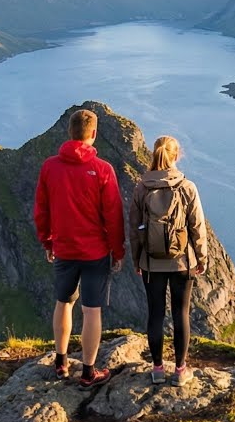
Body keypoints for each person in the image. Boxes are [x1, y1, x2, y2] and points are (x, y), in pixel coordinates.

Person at [34, 108, 125, 387]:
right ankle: (88, 371)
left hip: (63, 248)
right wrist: (117, 251)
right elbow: (113, 215)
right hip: (95, 252)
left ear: (69, 133)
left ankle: (61, 363)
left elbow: (41, 210)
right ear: (94, 134)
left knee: (63, 303)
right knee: (91, 310)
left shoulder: (50, 166)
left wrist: (47, 242)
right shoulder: (102, 170)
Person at [130, 136, 207, 387]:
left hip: (151, 263)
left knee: (155, 314)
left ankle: (157, 369)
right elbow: (197, 227)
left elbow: (134, 228)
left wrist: (136, 259)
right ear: (176, 156)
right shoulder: (187, 187)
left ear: (154, 154)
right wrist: (202, 257)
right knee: (180, 313)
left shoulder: (141, 187)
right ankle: (180, 370)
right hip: (182, 262)